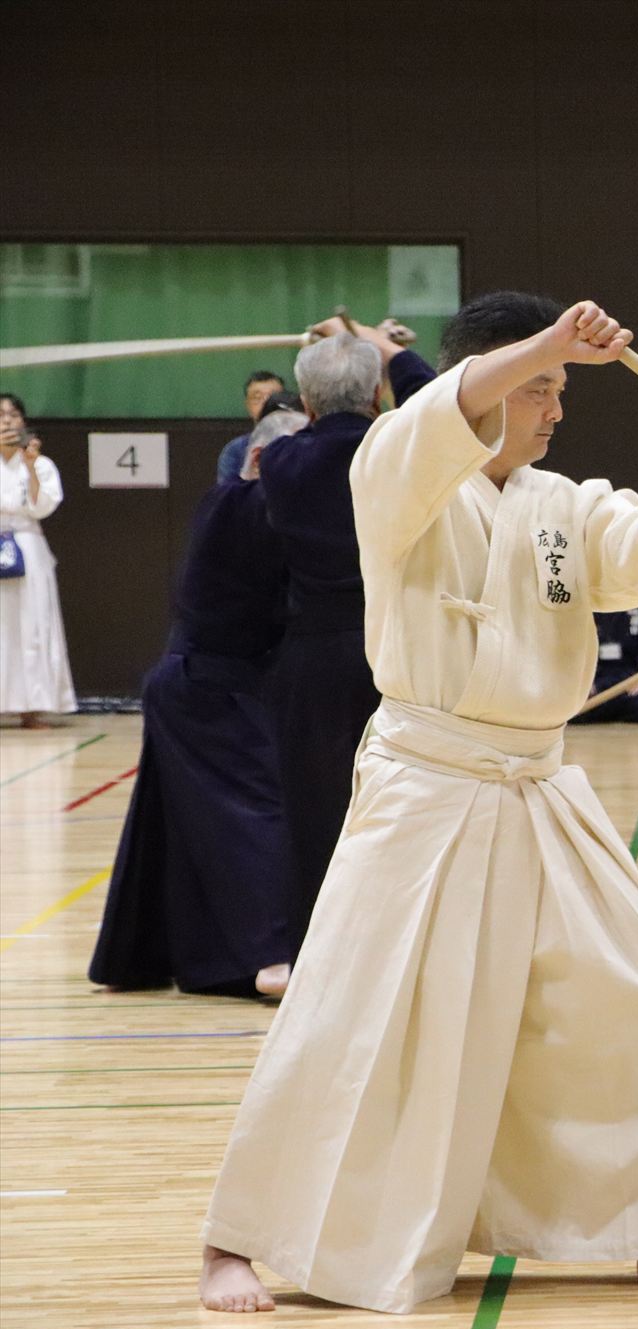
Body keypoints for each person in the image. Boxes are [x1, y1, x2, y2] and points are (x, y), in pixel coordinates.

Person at [198, 296, 638, 1315]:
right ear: (491, 382)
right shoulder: (394, 467)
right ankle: (236, 1239)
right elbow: (446, 410)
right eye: (539, 391)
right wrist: (554, 342)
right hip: (426, 781)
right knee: (353, 1013)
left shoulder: (559, 500)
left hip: (535, 782)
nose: (555, 408)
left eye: (560, 391)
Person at [90, 412, 300, 1000]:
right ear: (259, 460)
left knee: (167, 828)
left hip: (197, 688)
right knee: (259, 811)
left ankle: (141, 958)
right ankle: (272, 955)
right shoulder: (238, 505)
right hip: (203, 689)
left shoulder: (252, 506)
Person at [259, 322, 436, 953]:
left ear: (305, 403)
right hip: (398, 650)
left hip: (313, 658)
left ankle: (321, 954)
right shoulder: (395, 450)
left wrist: (340, 351)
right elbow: (436, 404)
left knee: (314, 813)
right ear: (377, 395)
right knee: (406, 804)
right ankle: (403, 947)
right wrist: (388, 350)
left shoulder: (281, 461)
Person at [0, 393, 77, 727]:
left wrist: (30, 466)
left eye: (13, 414)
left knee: (32, 625)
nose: (6, 420)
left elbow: (41, 507)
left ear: (24, 421)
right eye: (0, 415)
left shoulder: (41, 464)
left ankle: (32, 706)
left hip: (27, 544)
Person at [573, 604, 638, 724]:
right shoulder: (584, 600)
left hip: (629, 679)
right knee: (571, 710)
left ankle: (611, 711)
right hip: (595, 678)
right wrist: (583, 681)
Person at [215, 370, 287, 482]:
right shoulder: (235, 450)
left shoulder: (301, 445)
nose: (265, 404)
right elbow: (228, 491)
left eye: (273, 397)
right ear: (248, 405)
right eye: (258, 398)